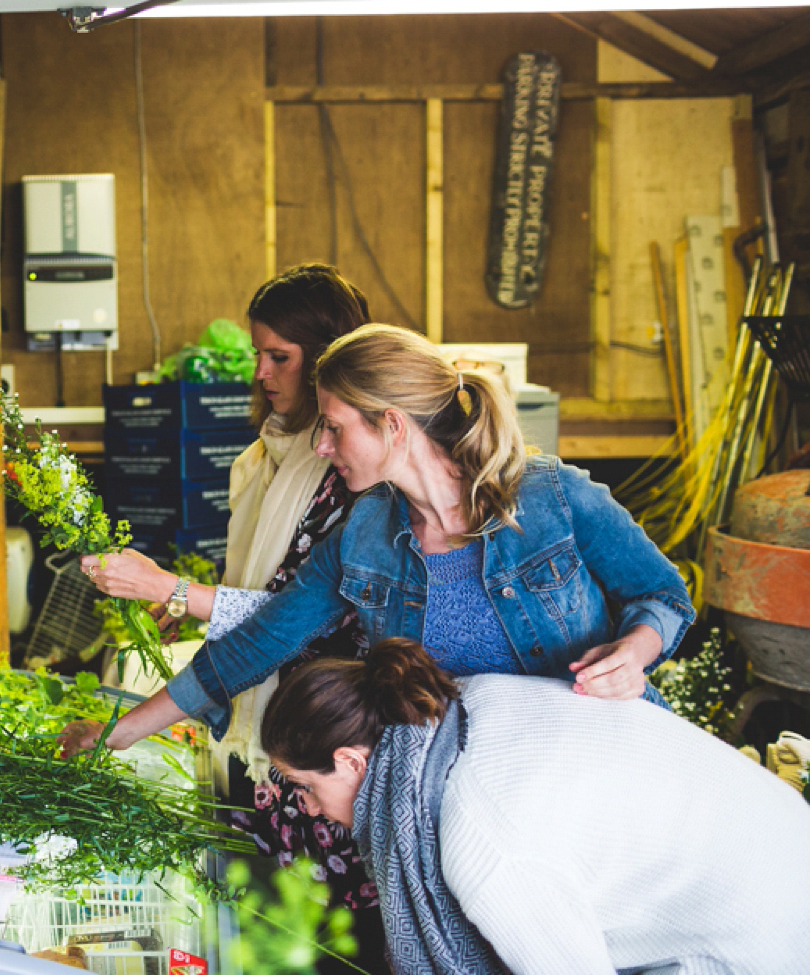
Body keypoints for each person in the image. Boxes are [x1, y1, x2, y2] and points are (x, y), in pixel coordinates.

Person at [70, 322, 694, 788]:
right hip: (484, 794)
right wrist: (119, 734)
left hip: (610, 767)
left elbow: (663, 597)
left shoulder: (553, 496)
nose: (320, 445)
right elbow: (256, 644)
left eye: (335, 427)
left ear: (393, 426)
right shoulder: (365, 534)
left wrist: (634, 652)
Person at [85, 264, 384, 954]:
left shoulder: (352, 477)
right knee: (281, 935)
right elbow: (266, 590)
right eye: (258, 354)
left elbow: (304, 619)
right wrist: (191, 606)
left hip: (326, 744)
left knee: (336, 944)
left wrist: (173, 590)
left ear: (327, 359)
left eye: (278, 356)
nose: (260, 372)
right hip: (273, 741)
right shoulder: (265, 457)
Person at [258, 637, 810, 974]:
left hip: (767, 943)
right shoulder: (465, 703)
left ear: (353, 761)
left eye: (303, 785)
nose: (305, 807)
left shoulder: (483, 839)